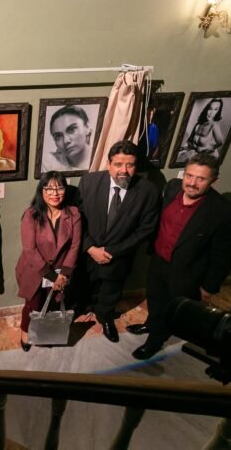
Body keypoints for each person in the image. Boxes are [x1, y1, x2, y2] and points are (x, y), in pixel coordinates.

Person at [129, 153, 231, 360]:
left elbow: (223, 256)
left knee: (171, 308)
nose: (192, 183)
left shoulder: (225, 213)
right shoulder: (172, 187)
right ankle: (151, 324)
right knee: (154, 297)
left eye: (201, 178)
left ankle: (155, 341)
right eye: (189, 176)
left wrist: (209, 287)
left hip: (187, 272)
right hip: (158, 260)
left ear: (214, 181)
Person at [77, 141, 160, 343]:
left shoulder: (148, 191)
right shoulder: (89, 182)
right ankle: (84, 309)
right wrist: (90, 248)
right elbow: (77, 219)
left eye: (130, 165)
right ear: (108, 164)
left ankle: (105, 317)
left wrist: (113, 251)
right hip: (88, 253)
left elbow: (146, 229)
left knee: (111, 291)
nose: (124, 170)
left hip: (120, 256)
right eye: (118, 164)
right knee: (83, 287)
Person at [15, 171, 81, 351]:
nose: (55, 193)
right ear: (41, 191)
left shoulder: (74, 213)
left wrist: (64, 274)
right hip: (35, 270)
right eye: (49, 188)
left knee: (53, 304)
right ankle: (25, 333)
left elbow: (75, 246)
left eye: (59, 188)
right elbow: (30, 250)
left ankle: (46, 333)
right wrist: (52, 276)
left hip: (62, 271)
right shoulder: (31, 214)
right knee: (33, 305)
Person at [42, 105, 93, 172]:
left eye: (72, 130)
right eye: (58, 136)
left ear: (87, 127)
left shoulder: (102, 159)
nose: (66, 141)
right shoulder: (50, 163)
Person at [177, 98, 225, 163]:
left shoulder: (214, 125)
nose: (211, 113)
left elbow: (220, 143)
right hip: (196, 156)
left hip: (208, 158)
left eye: (215, 109)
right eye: (210, 109)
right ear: (206, 109)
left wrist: (207, 149)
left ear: (218, 111)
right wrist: (183, 148)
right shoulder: (198, 124)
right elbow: (190, 141)